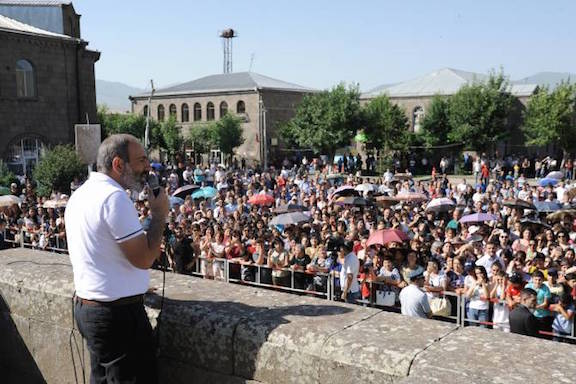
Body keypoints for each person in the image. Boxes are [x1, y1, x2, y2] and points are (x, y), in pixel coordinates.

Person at [66, 134, 169, 383]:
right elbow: (144, 258)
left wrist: (134, 283)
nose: (148, 167)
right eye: (142, 160)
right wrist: (158, 215)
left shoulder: (81, 194)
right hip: (116, 317)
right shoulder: (114, 198)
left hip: (90, 309)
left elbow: (103, 253)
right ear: (118, 164)